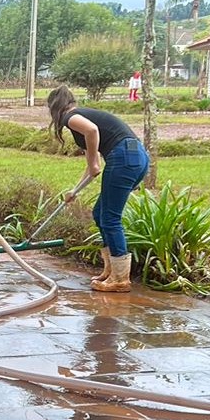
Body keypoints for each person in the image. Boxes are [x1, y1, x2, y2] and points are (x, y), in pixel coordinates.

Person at [47, 85, 149, 292]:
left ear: (55, 107)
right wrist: (74, 190)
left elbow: (92, 131)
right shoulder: (81, 116)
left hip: (124, 158)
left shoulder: (70, 117)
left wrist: (94, 160)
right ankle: (111, 270)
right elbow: (93, 168)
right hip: (136, 156)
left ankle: (120, 279)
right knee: (99, 213)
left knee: (110, 218)